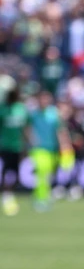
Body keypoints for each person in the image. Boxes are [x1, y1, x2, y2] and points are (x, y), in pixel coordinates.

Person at [0, 88, 29, 216]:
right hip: (5, 146)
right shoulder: (2, 109)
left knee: (16, 173)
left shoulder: (21, 109)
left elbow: (25, 128)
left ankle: (9, 192)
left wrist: (27, 144)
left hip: (18, 146)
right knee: (5, 171)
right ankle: (6, 195)